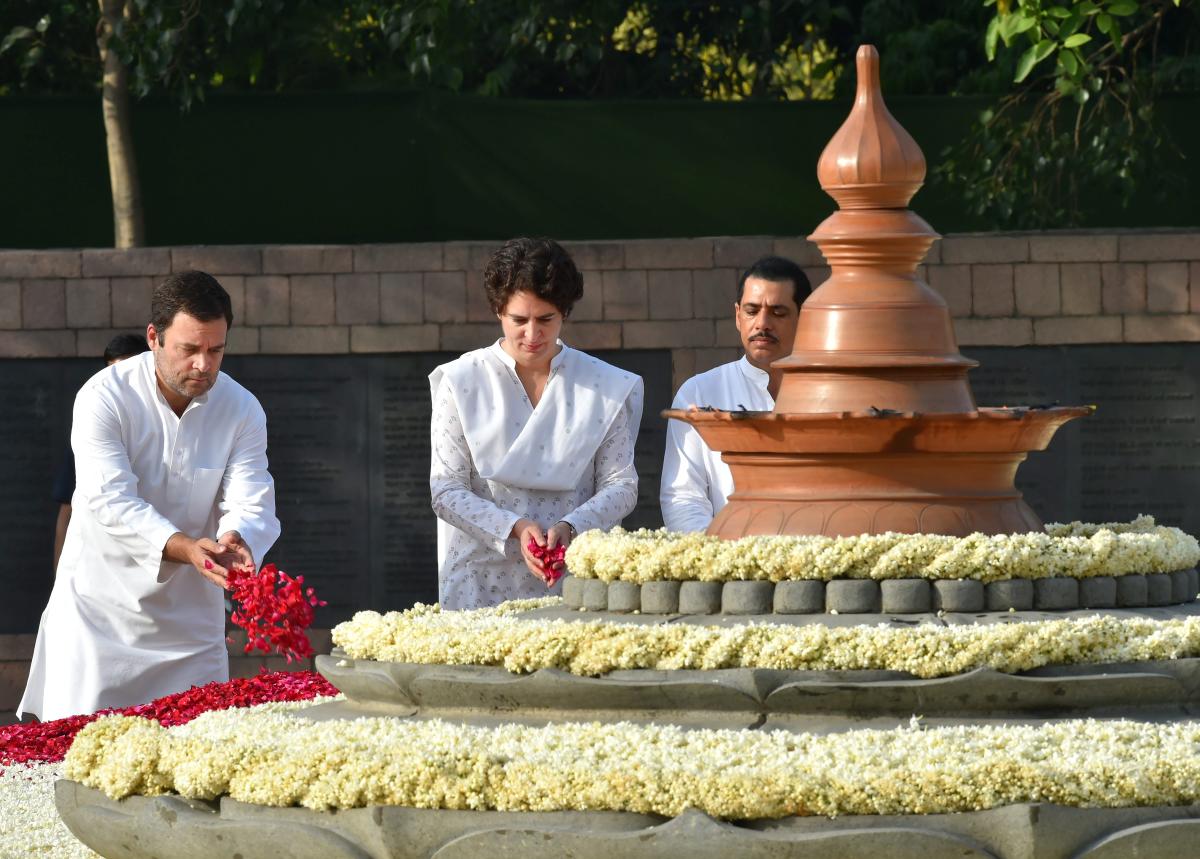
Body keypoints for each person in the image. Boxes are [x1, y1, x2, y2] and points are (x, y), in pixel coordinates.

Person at [19, 271, 280, 721]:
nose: (204, 364)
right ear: (154, 338)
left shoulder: (242, 408)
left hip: (191, 628)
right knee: (78, 762)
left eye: (216, 350)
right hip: (98, 619)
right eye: (189, 349)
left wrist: (238, 538)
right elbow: (109, 500)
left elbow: (251, 495)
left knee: (198, 761)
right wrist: (185, 548)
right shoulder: (103, 397)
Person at [429, 237, 643, 609]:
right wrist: (517, 527)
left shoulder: (604, 385)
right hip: (477, 581)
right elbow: (446, 490)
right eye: (519, 320)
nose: (532, 334)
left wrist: (569, 527)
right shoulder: (461, 381)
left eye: (546, 319)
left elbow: (621, 485)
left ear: (565, 313)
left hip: (573, 575)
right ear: (499, 311)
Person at [660, 256, 811, 532]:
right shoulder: (700, 391)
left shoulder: (830, 393)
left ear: (805, 319)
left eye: (778, 313)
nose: (762, 324)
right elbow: (683, 497)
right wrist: (720, 558)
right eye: (752, 311)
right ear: (737, 316)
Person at [52, 333, 151, 572]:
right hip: (100, 569)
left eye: (128, 371)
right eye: (111, 373)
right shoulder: (91, 432)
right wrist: (61, 573)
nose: (119, 383)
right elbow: (68, 510)